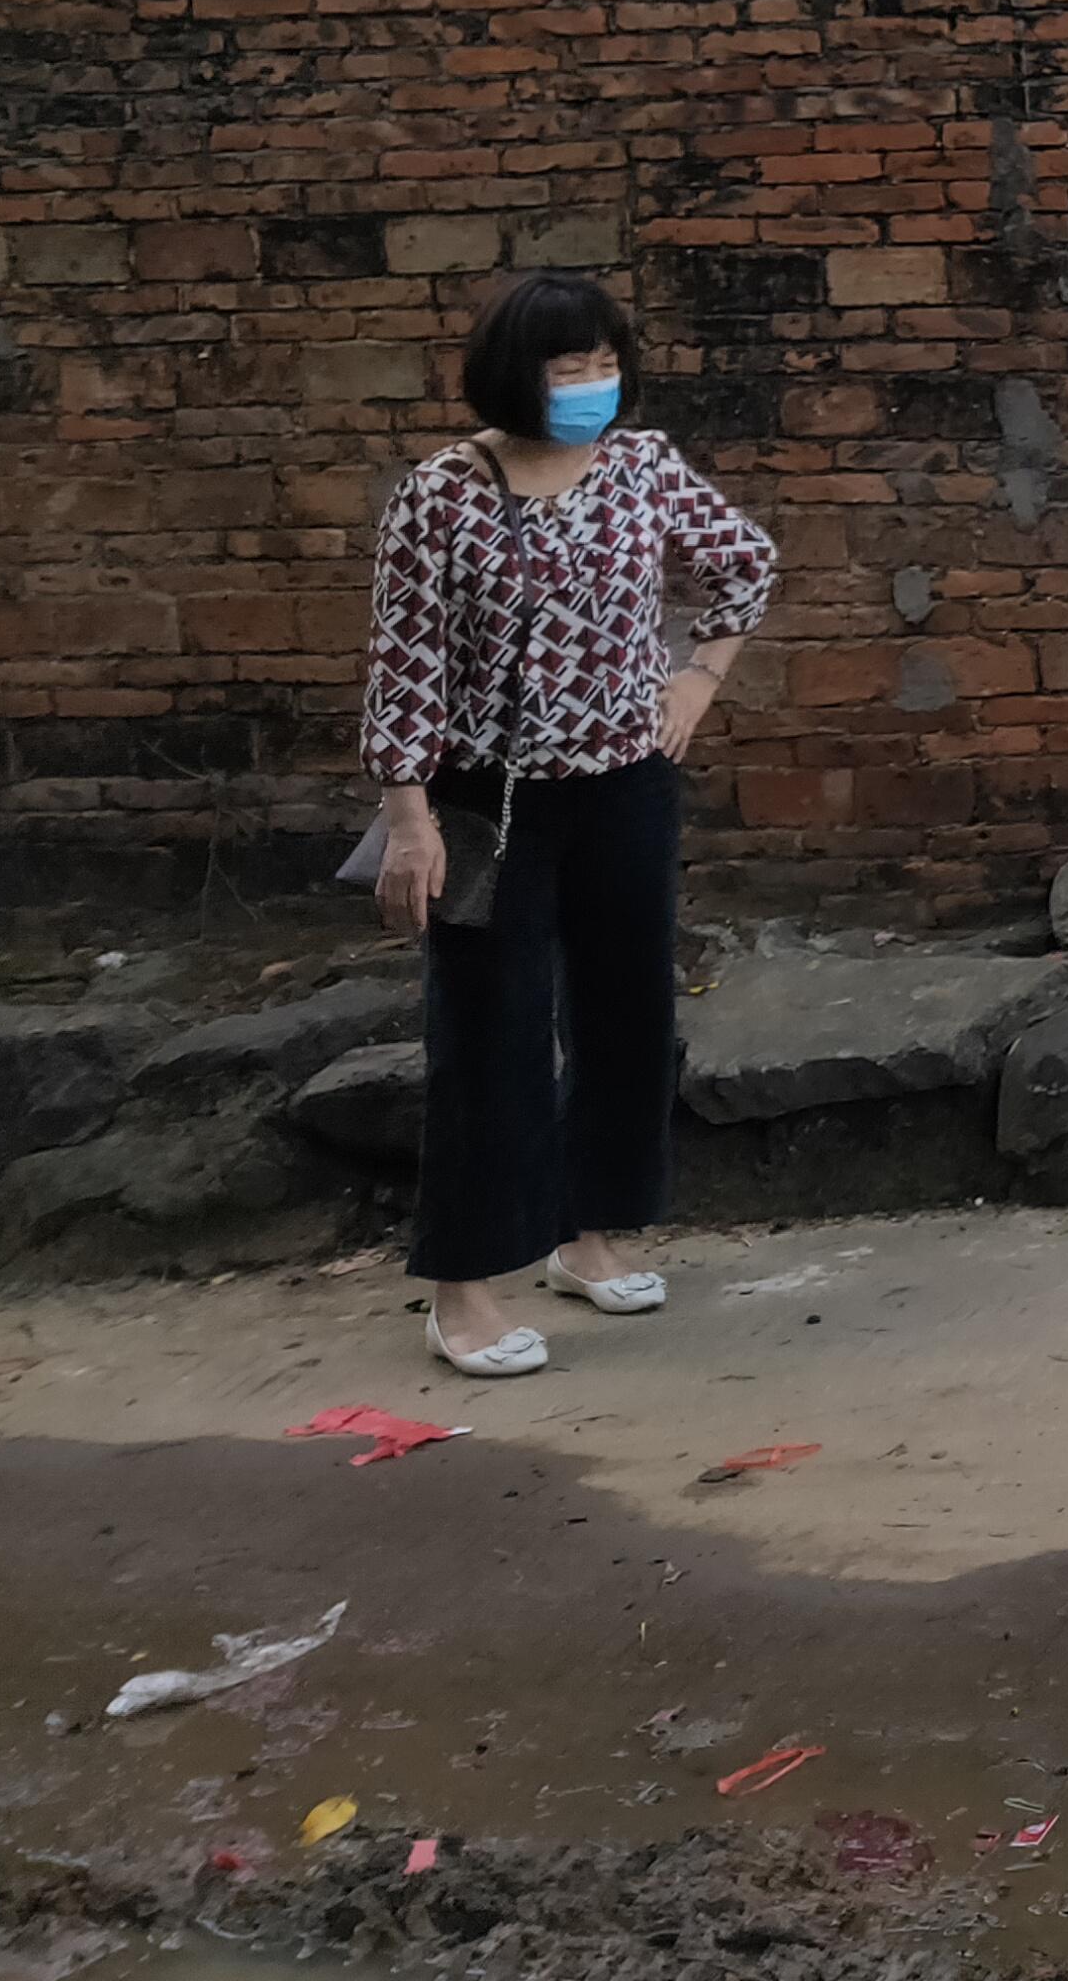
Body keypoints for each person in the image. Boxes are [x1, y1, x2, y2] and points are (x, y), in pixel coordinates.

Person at [361, 272, 776, 1379]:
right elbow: (404, 670)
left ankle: (586, 1233)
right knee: (488, 1033)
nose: (592, 384)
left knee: (626, 1014)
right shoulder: (443, 493)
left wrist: (696, 681)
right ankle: (463, 1286)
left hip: (626, 784)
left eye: (604, 362)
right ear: (516, 372)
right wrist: (409, 821)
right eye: (567, 366)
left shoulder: (641, 467)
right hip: (486, 801)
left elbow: (746, 568)